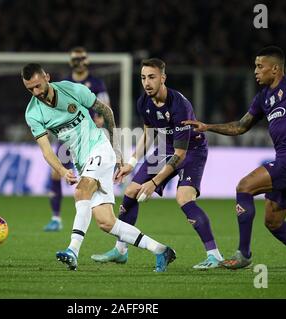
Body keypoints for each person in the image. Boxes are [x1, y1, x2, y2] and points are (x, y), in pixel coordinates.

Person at [183, 46, 286, 273]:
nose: (255, 71)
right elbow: (240, 126)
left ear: (275, 69)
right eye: (255, 66)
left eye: (259, 66)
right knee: (273, 223)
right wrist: (207, 127)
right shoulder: (263, 97)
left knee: (244, 186)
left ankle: (243, 255)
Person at [22, 63, 176, 272]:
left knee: (81, 190)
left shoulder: (72, 89)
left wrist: (118, 151)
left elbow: (106, 111)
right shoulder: (33, 113)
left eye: (38, 86)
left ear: (47, 77)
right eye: (30, 89)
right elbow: (47, 151)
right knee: (106, 222)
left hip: (100, 148)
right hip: (82, 162)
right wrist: (61, 170)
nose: (36, 92)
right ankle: (160, 250)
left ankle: (72, 251)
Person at [91, 58, 224, 269]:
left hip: (192, 150)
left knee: (184, 198)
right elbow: (148, 134)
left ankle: (215, 255)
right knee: (131, 191)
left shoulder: (180, 106)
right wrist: (132, 162)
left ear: (163, 78)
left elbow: (180, 154)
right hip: (166, 148)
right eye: (143, 78)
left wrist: (154, 183)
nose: (147, 82)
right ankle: (121, 250)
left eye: (152, 77)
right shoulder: (143, 102)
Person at [43, 47, 110, 232]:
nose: (79, 61)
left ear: (87, 60)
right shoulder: (65, 83)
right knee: (56, 173)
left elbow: (105, 105)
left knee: (88, 179)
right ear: (70, 61)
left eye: (82, 58)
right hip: (67, 136)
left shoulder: (96, 83)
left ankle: (100, 216)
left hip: (88, 137)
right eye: (75, 58)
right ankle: (56, 218)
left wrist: (101, 119)